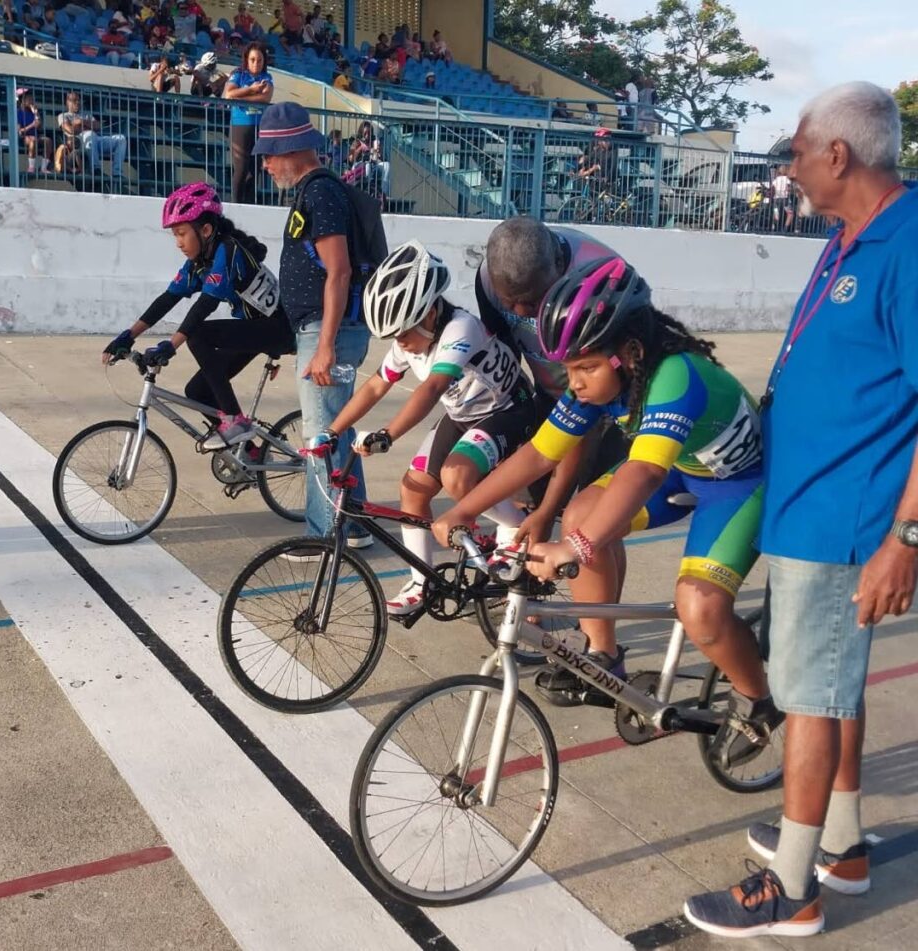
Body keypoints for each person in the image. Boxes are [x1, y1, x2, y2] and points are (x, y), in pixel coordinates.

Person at [683, 81, 918, 940]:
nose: (787, 165)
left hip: (846, 520)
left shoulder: (909, 244)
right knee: (829, 686)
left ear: (838, 155)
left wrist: (907, 537)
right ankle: (842, 848)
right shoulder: (846, 236)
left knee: (811, 699)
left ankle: (792, 887)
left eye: (794, 150)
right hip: (803, 504)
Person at [434, 257, 777, 754]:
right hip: (680, 465)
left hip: (737, 484)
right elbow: (537, 454)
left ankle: (756, 701)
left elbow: (643, 473)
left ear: (630, 352)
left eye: (585, 368)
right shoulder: (599, 380)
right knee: (580, 513)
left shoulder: (675, 376)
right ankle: (603, 655)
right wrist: (462, 511)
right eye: (567, 368)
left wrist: (576, 546)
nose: (573, 382)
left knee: (699, 607)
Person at [321, 242, 536, 614]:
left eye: (403, 333)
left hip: (508, 409)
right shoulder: (410, 340)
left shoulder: (460, 328)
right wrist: (332, 431)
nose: (400, 344)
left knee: (457, 477)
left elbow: (432, 388)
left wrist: (388, 434)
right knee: (413, 491)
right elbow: (376, 384)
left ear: (431, 313)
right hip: (464, 413)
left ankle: (515, 530)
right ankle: (422, 583)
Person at [253, 101, 381, 549]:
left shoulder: (320, 194)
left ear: (291, 150)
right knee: (337, 427)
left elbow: (339, 271)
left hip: (329, 333)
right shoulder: (321, 191)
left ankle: (325, 535)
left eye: (269, 155)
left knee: (320, 436)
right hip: (333, 330)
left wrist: (324, 345)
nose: (266, 165)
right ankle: (357, 522)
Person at [101, 182, 293, 452]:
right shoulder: (200, 261)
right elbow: (168, 298)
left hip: (278, 329)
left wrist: (171, 345)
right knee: (198, 392)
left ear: (205, 230)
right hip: (255, 329)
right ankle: (247, 452)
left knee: (200, 334)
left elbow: (206, 304)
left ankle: (235, 421)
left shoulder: (228, 251)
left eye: (181, 233)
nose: (178, 243)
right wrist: (127, 335)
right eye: (174, 236)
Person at [473, 216, 629, 538]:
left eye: (532, 301)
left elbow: (588, 403)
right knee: (527, 505)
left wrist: (550, 508)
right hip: (550, 394)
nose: (519, 312)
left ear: (559, 265)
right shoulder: (489, 279)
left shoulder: (603, 278)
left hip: (610, 405)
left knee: (590, 524)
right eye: (508, 302)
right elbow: (504, 359)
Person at [223, 41, 274, 203]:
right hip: (240, 125)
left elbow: (265, 98)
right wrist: (252, 90)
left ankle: (250, 205)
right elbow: (229, 94)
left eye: (259, 60)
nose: (256, 64)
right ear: (247, 60)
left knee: (254, 169)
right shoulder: (238, 74)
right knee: (241, 168)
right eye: (252, 60)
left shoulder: (266, 77)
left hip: (259, 126)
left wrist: (243, 96)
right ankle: (236, 205)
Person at [57, 92, 128, 187]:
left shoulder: (86, 115)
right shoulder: (64, 115)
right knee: (90, 133)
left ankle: (117, 173)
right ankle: (95, 169)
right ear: (67, 102)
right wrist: (87, 126)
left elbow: (98, 126)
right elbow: (69, 129)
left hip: (95, 140)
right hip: (79, 142)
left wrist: (81, 121)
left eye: (79, 100)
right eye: (74, 100)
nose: (77, 103)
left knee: (120, 139)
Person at [16, 89, 51, 174]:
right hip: (25, 137)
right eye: (29, 99)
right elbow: (20, 131)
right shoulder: (18, 113)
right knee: (33, 141)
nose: (32, 101)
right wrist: (31, 125)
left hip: (36, 135)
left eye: (32, 99)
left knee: (48, 141)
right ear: (23, 101)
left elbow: (39, 126)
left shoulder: (34, 111)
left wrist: (36, 113)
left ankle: (43, 168)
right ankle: (31, 167)